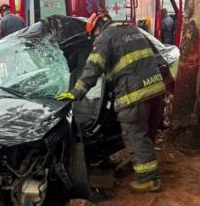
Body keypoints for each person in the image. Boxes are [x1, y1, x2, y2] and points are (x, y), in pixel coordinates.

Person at [56, 12, 166, 193]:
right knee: (145, 135)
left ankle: (149, 180)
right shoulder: (133, 31)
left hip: (134, 94)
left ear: (97, 29)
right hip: (155, 91)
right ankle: (147, 168)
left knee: (134, 135)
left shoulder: (105, 38)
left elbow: (92, 68)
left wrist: (75, 93)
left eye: (93, 35)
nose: (95, 38)